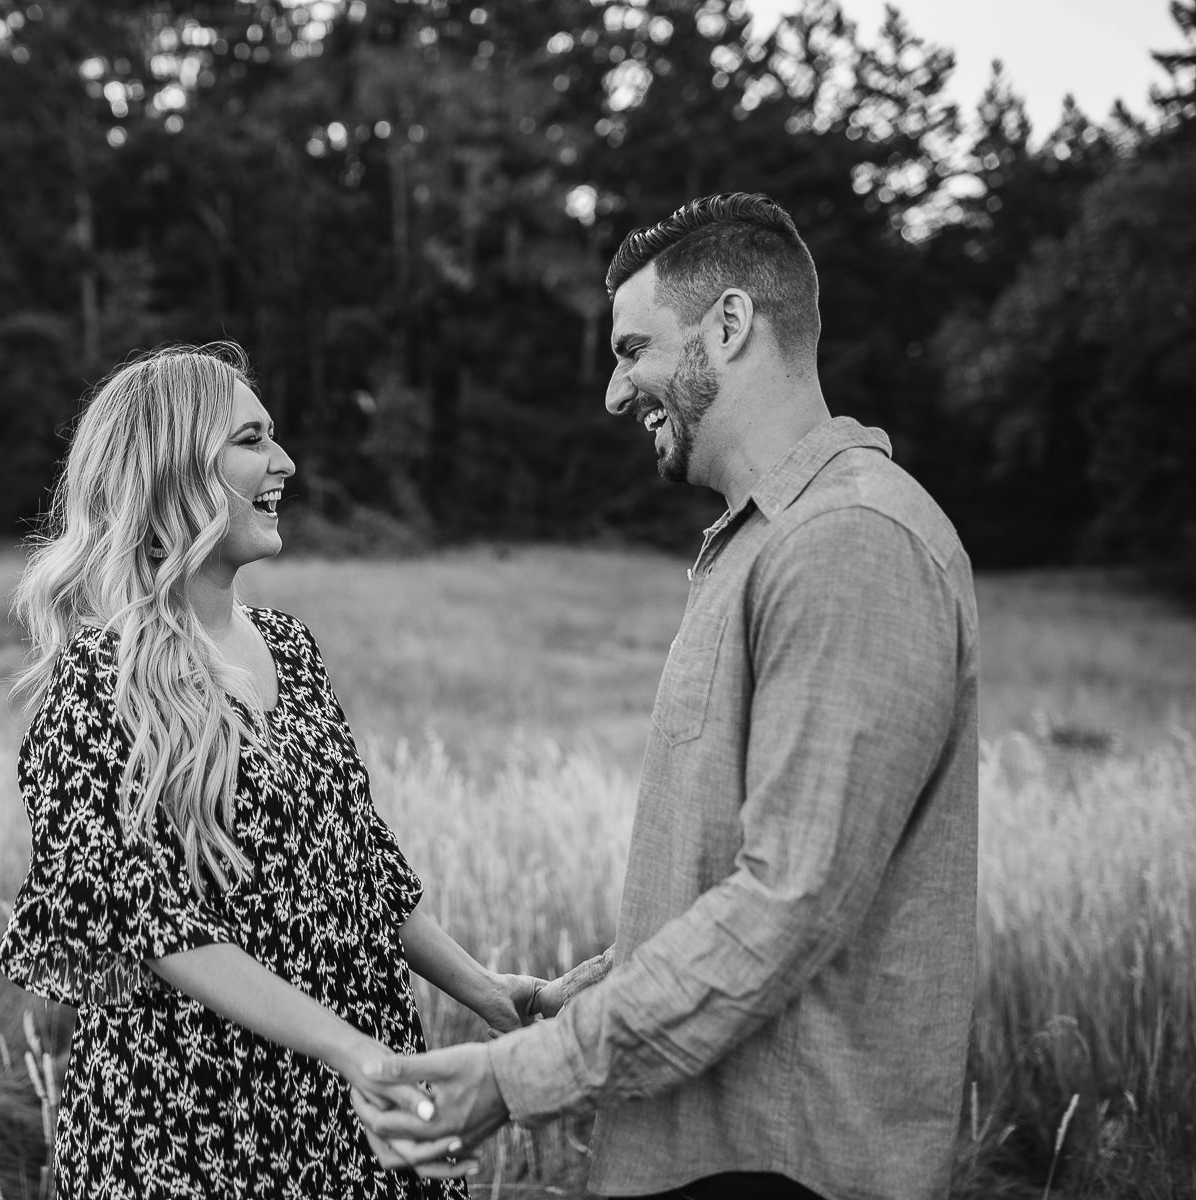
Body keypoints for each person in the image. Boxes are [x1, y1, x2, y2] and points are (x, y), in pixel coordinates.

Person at [353, 194, 981, 1200]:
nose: (613, 392)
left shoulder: (849, 543)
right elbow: (747, 874)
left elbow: (789, 904)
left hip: (784, 1163)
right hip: (709, 1152)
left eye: (632, 348)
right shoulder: (766, 543)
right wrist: (598, 989)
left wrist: (516, 1081)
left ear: (728, 326)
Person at [0, 344, 580, 1198]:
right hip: (191, 1127)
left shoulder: (291, 651)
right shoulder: (96, 688)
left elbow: (362, 866)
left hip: (351, 1105)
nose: (285, 463)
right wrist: (352, 1051)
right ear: (173, 473)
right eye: (250, 440)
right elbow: (160, 929)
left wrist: (486, 991)